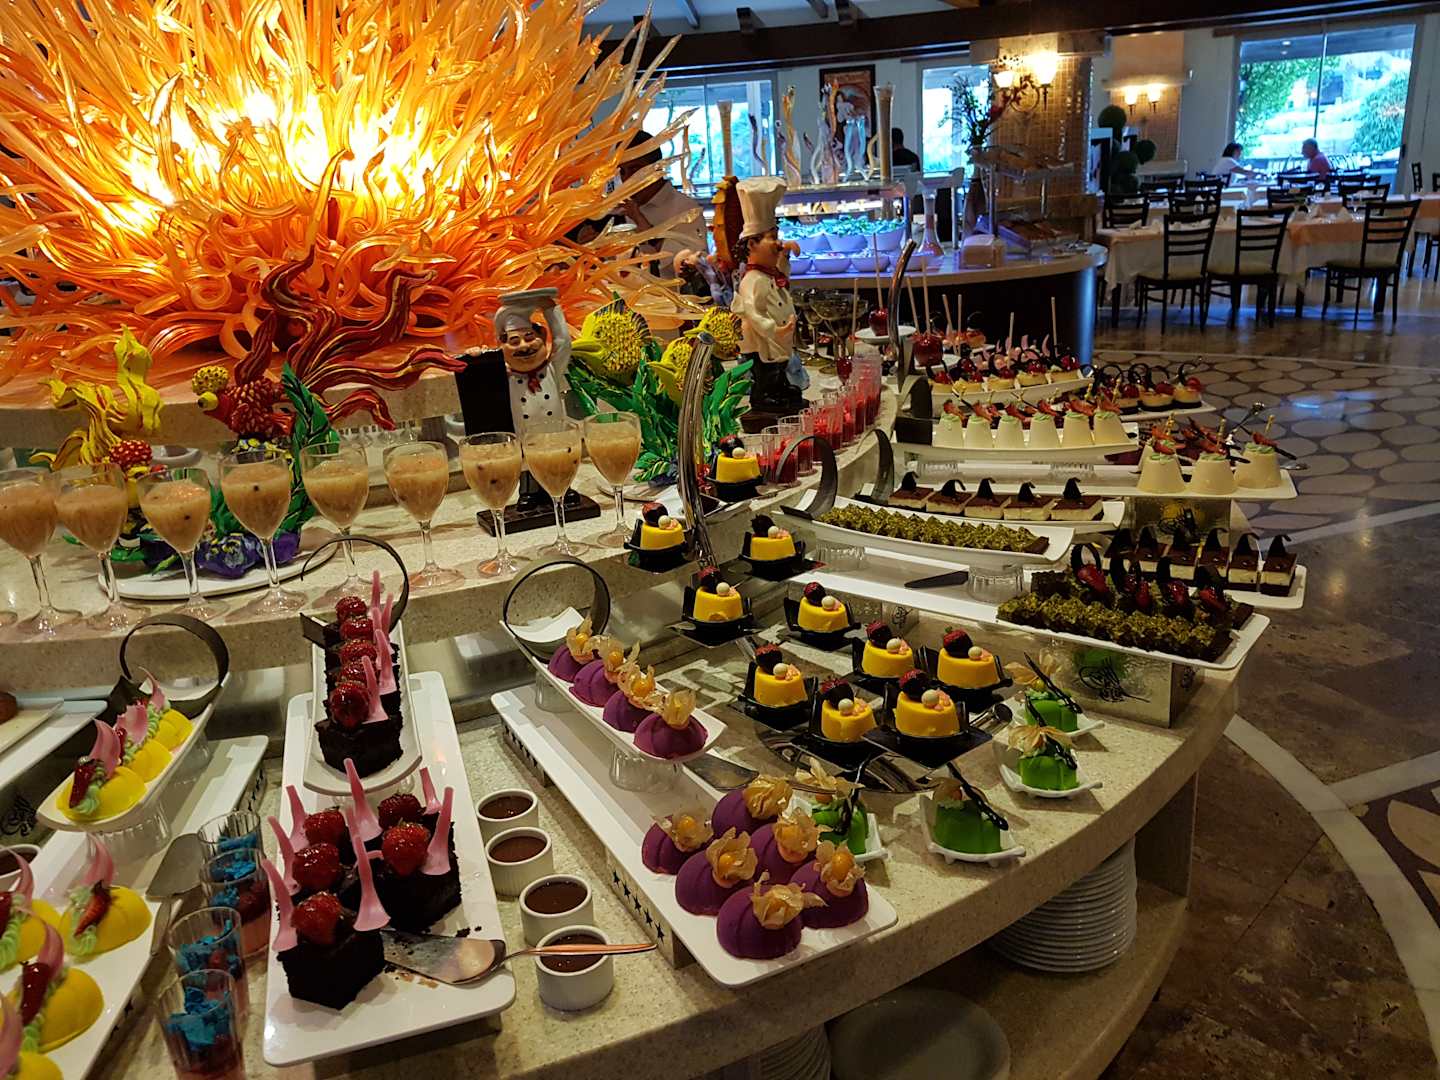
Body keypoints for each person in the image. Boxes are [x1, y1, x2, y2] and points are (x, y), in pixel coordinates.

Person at [731, 177, 808, 414]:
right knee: (765, 370)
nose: (778, 243)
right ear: (752, 245)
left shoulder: (769, 274)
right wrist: (774, 329)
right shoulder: (752, 280)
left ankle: (781, 389)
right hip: (760, 339)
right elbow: (753, 312)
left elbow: (783, 275)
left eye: (777, 236)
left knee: (779, 366)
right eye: (772, 238)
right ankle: (764, 396)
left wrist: (785, 254)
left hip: (777, 338)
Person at [616, 131, 707, 263]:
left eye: (635, 169)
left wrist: (642, 222)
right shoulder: (624, 211)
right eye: (622, 172)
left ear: (657, 167)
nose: (627, 179)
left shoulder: (686, 209)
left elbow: (696, 264)